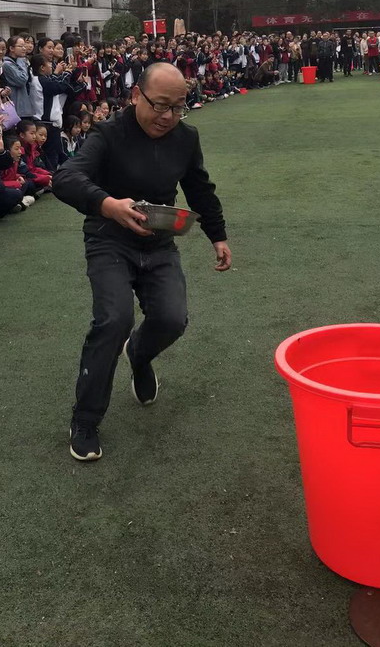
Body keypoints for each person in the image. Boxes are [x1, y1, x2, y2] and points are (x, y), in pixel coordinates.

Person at [53, 62, 231, 462]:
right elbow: (65, 178)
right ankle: (85, 419)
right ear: (137, 96)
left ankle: (140, 353)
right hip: (109, 239)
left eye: (178, 107)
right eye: (160, 105)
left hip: (159, 240)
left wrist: (217, 235)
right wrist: (108, 204)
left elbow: (199, 189)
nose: (168, 116)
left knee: (172, 319)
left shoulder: (186, 137)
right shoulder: (107, 134)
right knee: (114, 320)